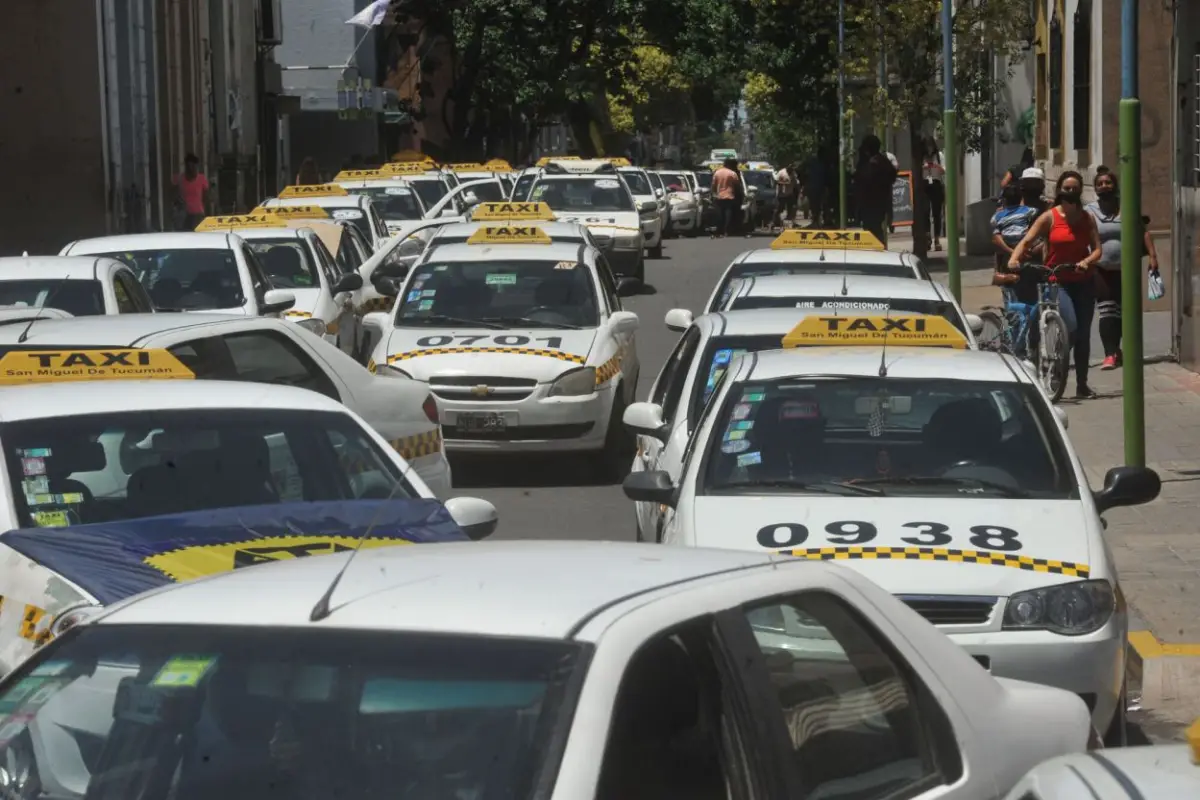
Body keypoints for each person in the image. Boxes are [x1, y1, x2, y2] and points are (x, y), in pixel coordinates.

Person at [1008, 170, 1103, 398]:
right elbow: (1027, 240)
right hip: (1057, 280)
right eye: (1067, 188)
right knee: (1069, 324)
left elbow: (1098, 249)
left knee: (1083, 334)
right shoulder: (1050, 217)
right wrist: (1014, 258)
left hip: (1083, 280)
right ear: (1059, 189)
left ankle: (1082, 384)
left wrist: (1086, 261)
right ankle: (1057, 367)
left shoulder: (1086, 218)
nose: (1070, 192)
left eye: (1075, 188)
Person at [1086, 167, 1161, 370]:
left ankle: (1118, 349)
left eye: (1107, 183)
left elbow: (1143, 232)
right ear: (1095, 188)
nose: (1104, 186)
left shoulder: (1127, 207)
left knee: (1122, 312)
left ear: (1115, 186)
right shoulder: (1089, 211)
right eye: (1100, 184)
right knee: (1107, 311)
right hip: (1101, 269)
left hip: (1127, 269)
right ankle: (1109, 354)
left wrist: (1153, 256)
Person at [990, 183, 1041, 356]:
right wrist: (1019, 253)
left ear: (1003, 200)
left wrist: (1011, 253)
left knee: (1014, 309)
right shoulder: (1031, 212)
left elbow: (996, 240)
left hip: (1008, 265)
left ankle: (1018, 349)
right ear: (1020, 198)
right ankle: (1027, 348)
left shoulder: (997, 217)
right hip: (1026, 263)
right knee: (1032, 306)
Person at [853, 135, 897, 245]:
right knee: (874, 228)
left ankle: (878, 247)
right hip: (878, 202)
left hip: (871, 203)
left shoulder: (872, 163)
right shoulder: (882, 160)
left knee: (873, 229)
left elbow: (862, 180)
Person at [173, 154, 210, 232]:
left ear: (196, 167)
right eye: (189, 166)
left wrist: (207, 214)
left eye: (193, 167)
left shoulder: (202, 179)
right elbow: (173, 195)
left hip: (198, 214)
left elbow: (206, 197)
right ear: (186, 167)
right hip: (183, 215)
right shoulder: (179, 179)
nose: (191, 169)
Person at [922, 137, 946, 251]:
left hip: (936, 183)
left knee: (937, 213)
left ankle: (937, 238)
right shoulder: (921, 157)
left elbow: (944, 170)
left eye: (931, 146)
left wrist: (936, 166)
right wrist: (925, 166)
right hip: (925, 183)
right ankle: (927, 237)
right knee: (925, 211)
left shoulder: (939, 156)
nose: (929, 149)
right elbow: (917, 171)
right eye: (927, 146)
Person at [711, 158, 740, 238]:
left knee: (720, 214)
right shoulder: (732, 173)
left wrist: (713, 193)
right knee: (728, 213)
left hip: (719, 196)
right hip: (729, 196)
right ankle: (727, 230)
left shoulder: (717, 172)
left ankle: (719, 230)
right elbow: (737, 185)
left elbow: (713, 185)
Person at [804, 148, 828, 227]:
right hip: (817, 188)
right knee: (817, 205)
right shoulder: (822, 164)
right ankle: (816, 221)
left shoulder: (813, 162)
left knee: (815, 205)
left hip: (814, 187)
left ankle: (816, 221)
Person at [773, 162, 798, 230]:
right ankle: (775, 222)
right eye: (790, 168)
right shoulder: (781, 172)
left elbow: (796, 183)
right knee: (779, 209)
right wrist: (784, 182)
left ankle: (790, 222)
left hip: (790, 194)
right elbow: (776, 181)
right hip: (782, 194)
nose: (791, 170)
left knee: (791, 208)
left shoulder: (793, 173)